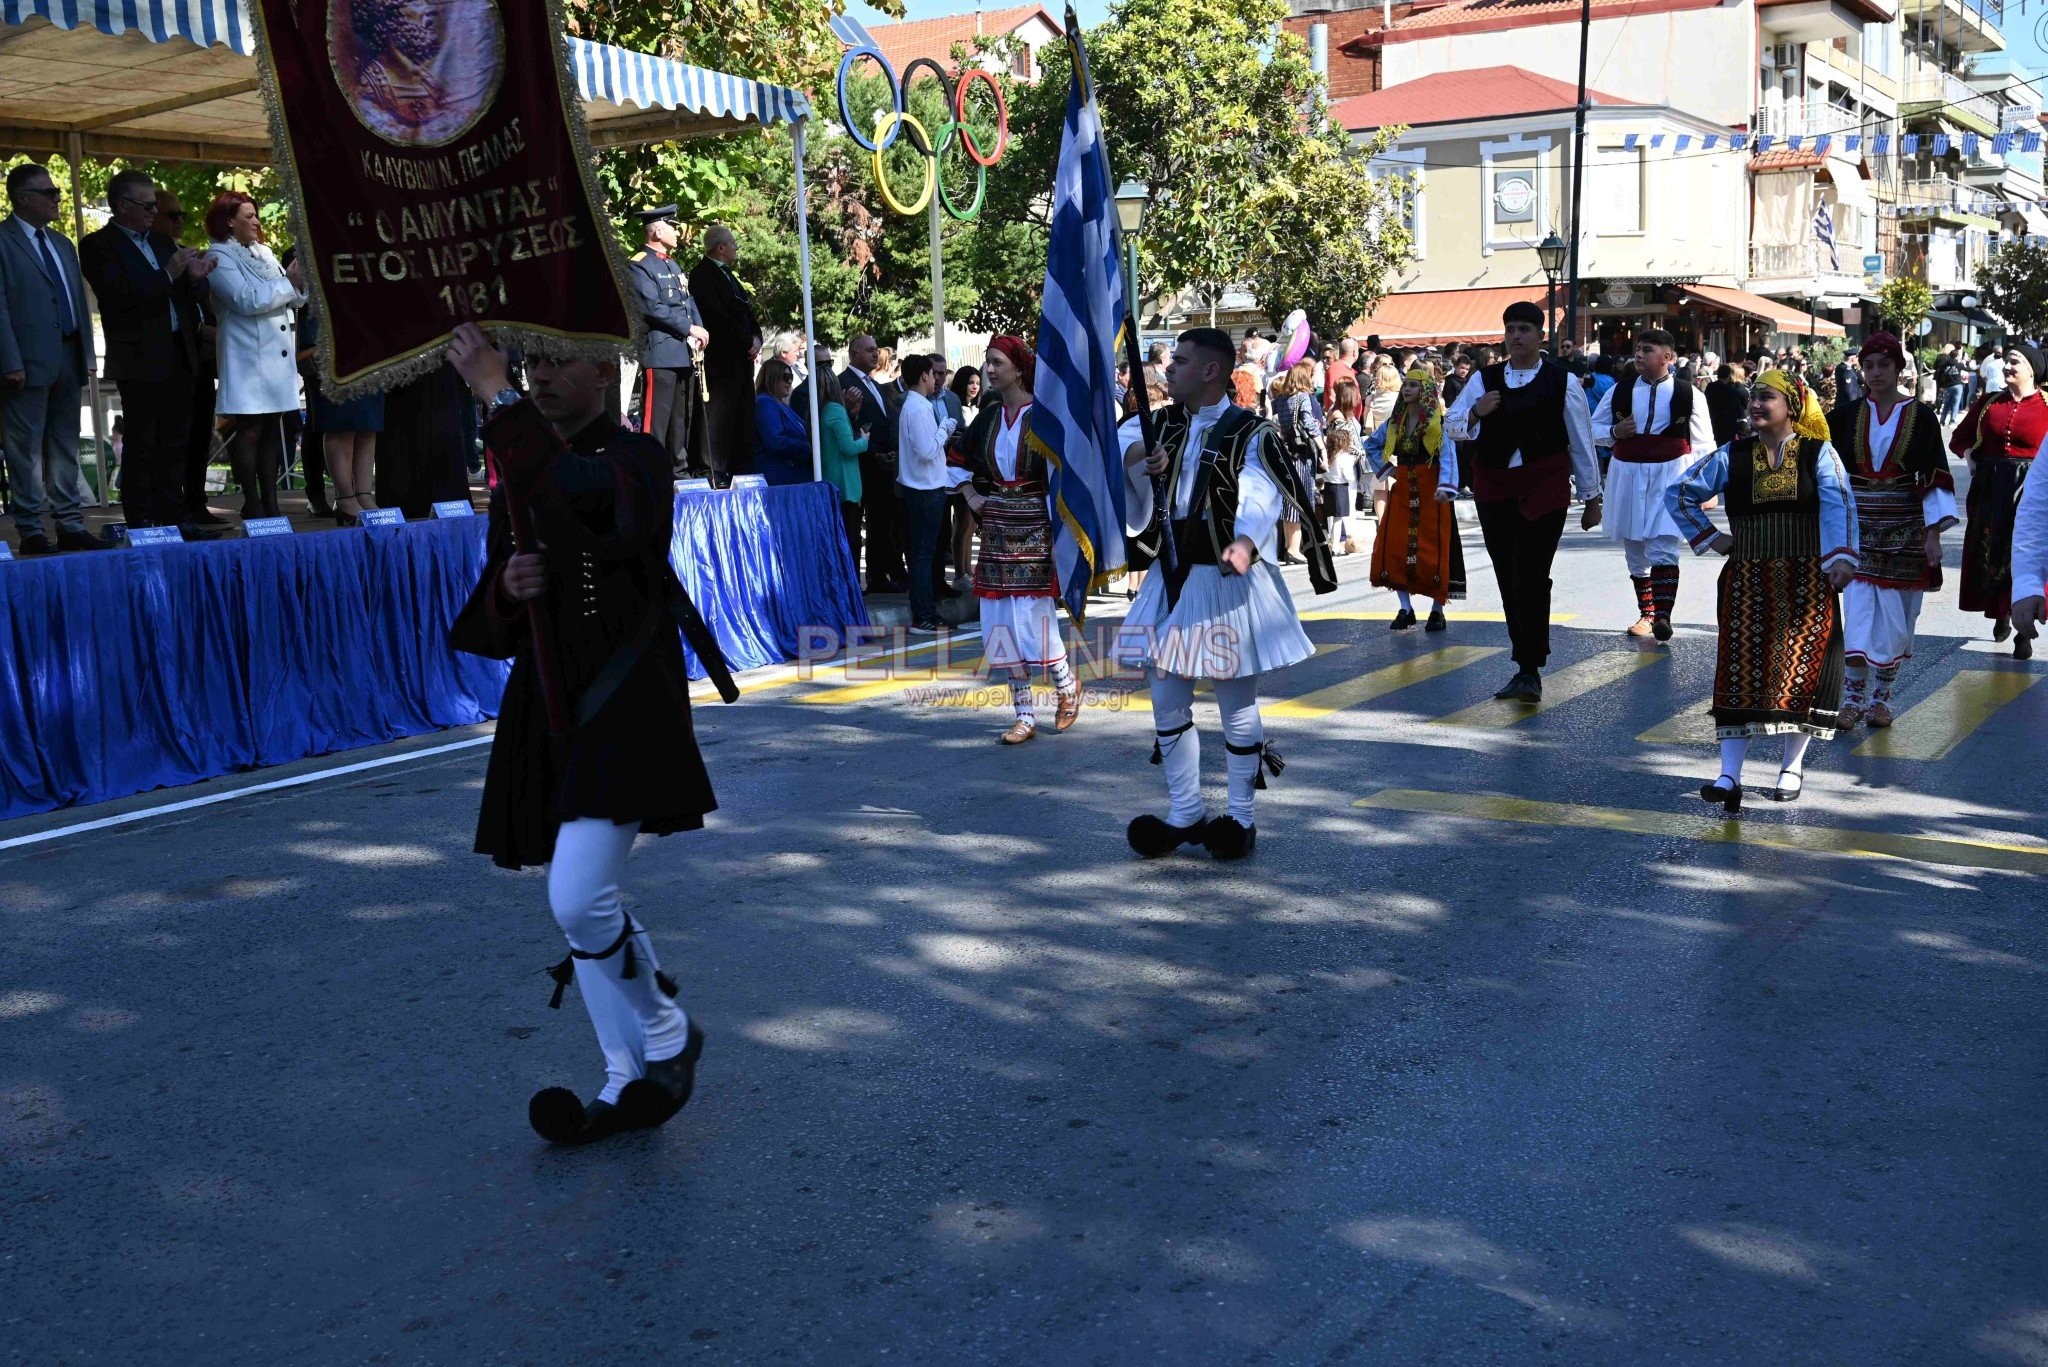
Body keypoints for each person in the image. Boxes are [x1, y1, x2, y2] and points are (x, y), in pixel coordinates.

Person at [444, 321, 718, 1148]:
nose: (542, 376)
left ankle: (669, 1033)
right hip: (548, 706)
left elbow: (594, 498)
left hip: (624, 705)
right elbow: (496, 617)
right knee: (580, 907)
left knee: (577, 895)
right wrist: (509, 589)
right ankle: (622, 1075)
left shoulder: (636, 456)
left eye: (561, 361)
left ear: (606, 371)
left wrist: (496, 394)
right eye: (532, 364)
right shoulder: (518, 466)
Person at [1114, 327, 1333, 861]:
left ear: (1211, 371)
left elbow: (1259, 492)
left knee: (1235, 699)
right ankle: (1185, 811)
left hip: (1227, 574)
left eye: (1181, 362)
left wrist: (1243, 542)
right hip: (1173, 575)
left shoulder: (1250, 430)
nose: (1170, 370)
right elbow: (1120, 448)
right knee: (1166, 693)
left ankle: (1241, 818)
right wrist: (1146, 455)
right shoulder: (1159, 421)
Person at [1667, 368, 1856, 810]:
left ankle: (1791, 767)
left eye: (1766, 397)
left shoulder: (1817, 454)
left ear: (1791, 406)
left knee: (1801, 675)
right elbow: (1679, 494)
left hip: (1807, 581)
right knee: (1739, 675)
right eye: (1752, 396)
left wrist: (1842, 558)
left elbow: (1839, 504)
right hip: (1747, 582)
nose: (1755, 404)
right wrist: (1713, 538)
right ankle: (1728, 776)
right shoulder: (1732, 455)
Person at [1442, 300, 1604, 702]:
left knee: (1532, 575)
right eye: (1511, 328)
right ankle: (1523, 663)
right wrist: (1476, 413)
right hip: (1495, 486)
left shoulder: (1561, 381)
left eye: (1525, 329)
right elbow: (1452, 427)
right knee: (1506, 575)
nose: (1516, 336)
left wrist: (1592, 497)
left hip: (1544, 486)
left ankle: (1530, 666)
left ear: (1540, 336)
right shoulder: (1485, 379)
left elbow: (1581, 441)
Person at [946, 337, 1082, 741]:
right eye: (988, 362)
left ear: (1019, 369)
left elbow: (1068, 472)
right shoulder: (988, 417)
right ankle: (1024, 715)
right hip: (996, 526)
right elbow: (955, 458)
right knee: (999, 620)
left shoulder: (1043, 417)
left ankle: (1065, 685)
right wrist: (972, 495)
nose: (989, 369)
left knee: (1033, 615)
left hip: (1036, 524)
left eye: (996, 362)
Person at [1823, 332, 1957, 729]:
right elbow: (1824, 471)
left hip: (1906, 529)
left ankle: (1881, 700)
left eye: (1884, 364)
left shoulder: (1922, 416)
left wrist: (1933, 535)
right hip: (1858, 527)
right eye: (1869, 366)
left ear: (1900, 369)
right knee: (1859, 615)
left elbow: (1935, 473)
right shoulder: (1844, 416)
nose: (1876, 373)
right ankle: (1851, 701)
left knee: (1899, 620)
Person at [79, 168, 214, 533]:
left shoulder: (160, 242)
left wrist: (197, 279)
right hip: (139, 357)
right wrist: (170, 273)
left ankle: (174, 516)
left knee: (176, 441)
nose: (155, 212)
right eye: (148, 205)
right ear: (122, 206)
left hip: (178, 352)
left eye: (156, 205)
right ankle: (141, 521)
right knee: (142, 442)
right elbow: (121, 297)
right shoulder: (98, 246)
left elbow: (186, 298)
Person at [0, 163, 104, 554]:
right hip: (24, 362)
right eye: (49, 192)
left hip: (68, 352)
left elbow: (77, 300)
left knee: (65, 445)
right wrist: (9, 359)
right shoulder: (3, 239)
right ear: (22, 198)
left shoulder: (62, 243)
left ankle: (70, 524)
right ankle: (30, 531)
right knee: (24, 448)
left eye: (57, 191)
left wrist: (88, 353)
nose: (57, 197)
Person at [1589, 328, 1715, 642]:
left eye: (1647, 349)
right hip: (1627, 472)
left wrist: (1706, 488)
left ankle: (1662, 616)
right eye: (1638, 349)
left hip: (1671, 474)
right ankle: (1646, 613)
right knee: (1634, 546)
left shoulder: (1689, 394)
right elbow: (1593, 428)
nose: (1639, 355)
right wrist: (1616, 431)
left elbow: (1703, 444)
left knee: (1662, 544)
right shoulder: (1620, 390)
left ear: (1668, 357)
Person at [203, 191, 307, 521]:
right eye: (248, 216)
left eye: (256, 215)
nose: (256, 221)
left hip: (274, 360)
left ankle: (271, 503)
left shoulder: (262, 252)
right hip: (247, 357)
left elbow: (290, 297)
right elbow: (246, 299)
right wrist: (287, 284)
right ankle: (252, 500)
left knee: (270, 431)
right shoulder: (219, 255)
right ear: (229, 221)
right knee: (249, 429)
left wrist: (297, 282)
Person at [1952, 341, 2047, 659]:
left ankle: (2023, 630)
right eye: (2006, 361)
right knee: (1993, 553)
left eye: (2015, 362)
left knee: (2022, 552)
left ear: (2032, 370)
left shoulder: (2046, 404)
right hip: (1991, 491)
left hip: (2029, 489)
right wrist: (1969, 456)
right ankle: (2002, 611)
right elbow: (1960, 437)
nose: (2008, 367)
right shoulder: (1989, 402)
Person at [1364, 366, 1466, 631]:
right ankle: (1405, 608)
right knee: (1396, 544)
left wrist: (1446, 487)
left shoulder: (1437, 423)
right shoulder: (1394, 422)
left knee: (1433, 545)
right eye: (1405, 385)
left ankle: (1437, 610)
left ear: (1426, 391)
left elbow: (1448, 456)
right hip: (1404, 488)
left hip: (1433, 490)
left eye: (1413, 385)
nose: (1407, 389)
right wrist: (1389, 471)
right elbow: (1371, 445)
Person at [156, 188, 230, 529]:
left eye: (182, 215)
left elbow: (201, 301)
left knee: (201, 433)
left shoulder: (182, 252)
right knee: (174, 439)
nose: (179, 221)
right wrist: (200, 326)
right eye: (172, 215)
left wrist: (198, 278)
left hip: (199, 359)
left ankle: (196, 501)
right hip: (170, 357)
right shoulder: (154, 256)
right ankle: (172, 509)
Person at [627, 206, 709, 479]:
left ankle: (679, 471)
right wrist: (689, 327)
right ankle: (650, 473)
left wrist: (698, 330)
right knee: (656, 420)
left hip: (683, 352)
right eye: (672, 226)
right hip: (660, 352)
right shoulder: (639, 264)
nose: (677, 231)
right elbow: (652, 307)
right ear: (658, 231)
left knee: (681, 419)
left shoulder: (672, 264)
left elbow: (688, 301)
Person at [686, 224, 760, 486]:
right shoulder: (702, 275)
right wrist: (743, 340)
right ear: (721, 247)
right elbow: (716, 316)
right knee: (718, 422)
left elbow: (747, 312)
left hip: (740, 364)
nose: (736, 247)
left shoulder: (731, 277)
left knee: (741, 421)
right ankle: (713, 471)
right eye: (733, 243)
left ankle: (741, 470)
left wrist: (757, 338)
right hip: (720, 363)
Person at [295, 303, 383, 525]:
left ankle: (364, 494)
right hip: (328, 336)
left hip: (368, 332)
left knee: (368, 422)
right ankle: (345, 497)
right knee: (341, 420)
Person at [895, 354, 956, 633]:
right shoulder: (917, 408)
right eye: (933, 374)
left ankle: (926, 611)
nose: (936, 379)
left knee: (924, 554)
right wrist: (945, 428)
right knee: (922, 556)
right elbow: (927, 451)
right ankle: (923, 615)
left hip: (925, 488)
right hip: (923, 490)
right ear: (923, 376)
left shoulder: (917, 405)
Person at [841, 335, 904, 592]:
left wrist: (890, 452)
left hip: (883, 466)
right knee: (855, 527)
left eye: (876, 350)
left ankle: (878, 577)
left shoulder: (877, 385)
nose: (875, 354)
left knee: (881, 523)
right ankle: (854, 582)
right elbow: (849, 426)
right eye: (869, 350)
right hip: (861, 465)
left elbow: (885, 421)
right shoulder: (843, 383)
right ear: (854, 354)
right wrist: (875, 452)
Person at [813, 357, 867, 568]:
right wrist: (864, 440)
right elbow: (848, 447)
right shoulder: (834, 409)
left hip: (829, 479)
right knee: (851, 538)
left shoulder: (819, 409)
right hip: (845, 484)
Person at [1271, 358, 1322, 566]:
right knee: (1300, 500)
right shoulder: (1303, 397)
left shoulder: (1281, 400)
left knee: (1288, 501)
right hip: (1301, 454)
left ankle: (1288, 548)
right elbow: (1309, 424)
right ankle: (1294, 548)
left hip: (1285, 452)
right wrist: (1322, 448)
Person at [751, 356, 811, 486]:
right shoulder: (765, 402)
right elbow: (775, 440)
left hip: (793, 474)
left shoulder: (780, 404)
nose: (789, 382)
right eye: (785, 377)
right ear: (772, 378)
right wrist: (807, 447)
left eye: (791, 378)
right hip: (778, 477)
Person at [1322, 378, 1366, 556]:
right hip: (1343, 465)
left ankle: (1346, 540)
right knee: (1343, 505)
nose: (1358, 399)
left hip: (1350, 463)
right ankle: (1343, 540)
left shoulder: (1344, 414)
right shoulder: (1338, 416)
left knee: (1347, 504)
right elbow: (1342, 442)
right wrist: (1360, 452)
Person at [1705, 361, 1750, 447]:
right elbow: (1738, 407)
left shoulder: (1710, 387)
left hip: (1713, 422)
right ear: (1729, 375)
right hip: (1728, 424)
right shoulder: (1730, 389)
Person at [1936, 343, 1969, 425]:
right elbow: (1967, 369)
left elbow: (1939, 374)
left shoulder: (1944, 365)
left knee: (1946, 404)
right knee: (1955, 403)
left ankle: (1942, 421)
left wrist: (1941, 385)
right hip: (1958, 385)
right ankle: (1952, 420)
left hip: (1948, 386)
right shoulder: (1959, 364)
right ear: (1957, 356)